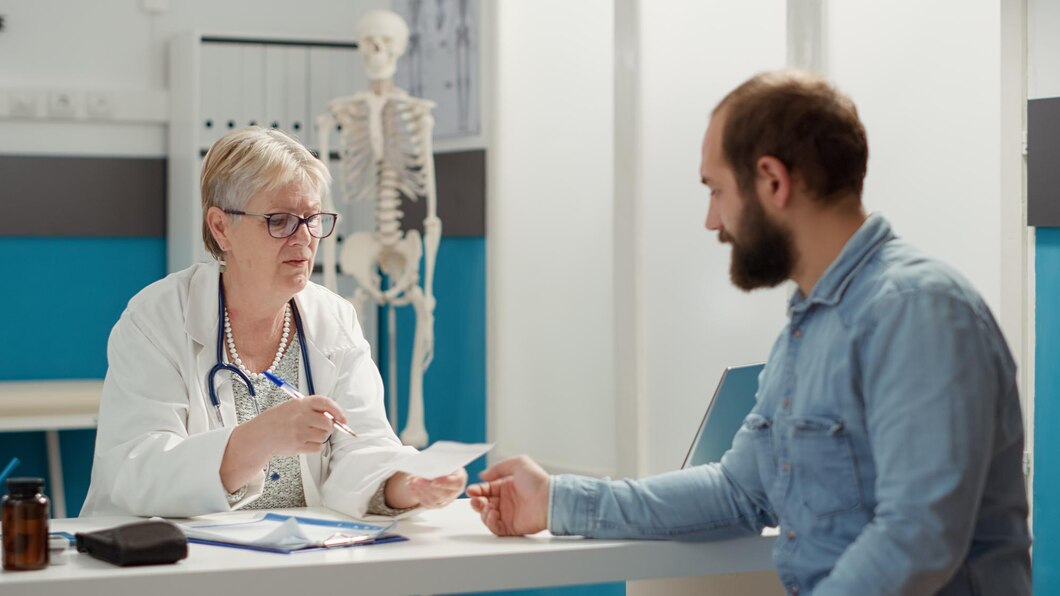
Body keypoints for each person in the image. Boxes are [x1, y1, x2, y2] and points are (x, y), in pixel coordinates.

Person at [468, 71, 1031, 595]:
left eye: (715, 190)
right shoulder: (808, 326)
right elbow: (739, 491)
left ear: (772, 181)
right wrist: (558, 501)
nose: (712, 222)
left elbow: (917, 538)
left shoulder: (918, 311)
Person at [82, 127, 465, 518]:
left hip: (295, 559)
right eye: (279, 220)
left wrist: (406, 484)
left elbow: (362, 446)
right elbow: (137, 471)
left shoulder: (333, 318)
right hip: (171, 561)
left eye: (312, 219)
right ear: (220, 227)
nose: (303, 238)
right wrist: (258, 439)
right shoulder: (156, 319)